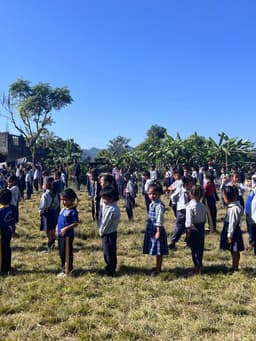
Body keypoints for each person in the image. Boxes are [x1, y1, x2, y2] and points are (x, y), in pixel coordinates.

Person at [143, 183, 168, 276]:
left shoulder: (159, 206)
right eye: (150, 194)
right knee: (154, 249)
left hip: (157, 229)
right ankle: (157, 267)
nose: (151, 196)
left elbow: (159, 219)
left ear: (159, 194)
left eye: (154, 194)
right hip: (151, 228)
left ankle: (158, 268)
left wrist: (158, 231)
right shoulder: (152, 204)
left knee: (159, 250)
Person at [220, 185, 244, 273]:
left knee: (235, 250)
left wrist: (229, 235)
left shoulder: (234, 208)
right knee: (233, 250)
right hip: (232, 230)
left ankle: (235, 266)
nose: (223, 198)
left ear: (228, 196)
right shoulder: (233, 206)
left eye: (224, 196)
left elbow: (232, 223)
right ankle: (234, 265)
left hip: (233, 231)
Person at [56, 188, 79, 277]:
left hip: (67, 236)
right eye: (62, 200)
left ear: (72, 200)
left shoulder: (72, 211)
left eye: (65, 200)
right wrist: (57, 228)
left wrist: (66, 229)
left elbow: (76, 223)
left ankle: (67, 270)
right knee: (61, 252)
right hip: (60, 235)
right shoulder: (63, 209)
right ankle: (63, 267)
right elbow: (59, 219)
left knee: (67, 253)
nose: (63, 202)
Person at [99, 185, 120, 276]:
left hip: (108, 233)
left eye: (105, 198)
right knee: (108, 251)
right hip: (109, 233)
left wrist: (101, 232)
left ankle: (111, 270)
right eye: (102, 198)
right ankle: (110, 266)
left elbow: (106, 223)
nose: (103, 201)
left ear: (111, 198)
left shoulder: (112, 209)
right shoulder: (108, 205)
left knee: (109, 252)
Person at [185, 185, 207, 275]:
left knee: (194, 250)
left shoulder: (190, 206)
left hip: (193, 229)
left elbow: (189, 222)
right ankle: (200, 266)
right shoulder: (203, 205)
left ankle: (196, 268)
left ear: (190, 194)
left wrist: (188, 234)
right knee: (200, 249)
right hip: (201, 228)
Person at [169, 175, 194, 250]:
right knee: (179, 228)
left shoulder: (191, 191)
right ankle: (172, 242)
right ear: (186, 184)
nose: (192, 184)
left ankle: (189, 243)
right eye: (191, 183)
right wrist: (176, 204)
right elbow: (173, 197)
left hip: (189, 212)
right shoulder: (180, 190)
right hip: (182, 212)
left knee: (189, 228)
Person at [39, 177, 60, 252]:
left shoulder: (45, 195)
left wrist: (40, 212)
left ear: (46, 185)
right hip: (54, 213)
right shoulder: (56, 194)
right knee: (53, 229)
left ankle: (49, 247)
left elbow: (42, 206)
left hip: (47, 214)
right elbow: (57, 205)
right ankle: (53, 244)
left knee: (48, 231)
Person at [0, 189, 15, 274]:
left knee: (2, 250)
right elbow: (12, 221)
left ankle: (3, 268)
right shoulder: (10, 208)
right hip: (8, 232)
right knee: (7, 249)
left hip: (2, 233)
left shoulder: (1, 210)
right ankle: (8, 266)